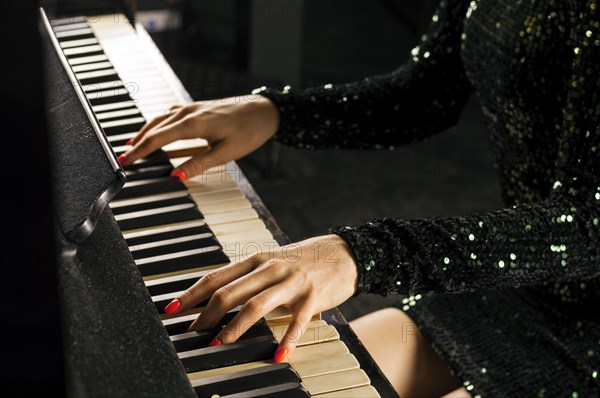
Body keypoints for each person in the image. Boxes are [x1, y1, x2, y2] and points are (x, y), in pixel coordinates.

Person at [119, 0, 600, 396]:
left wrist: (361, 253)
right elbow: (426, 93)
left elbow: (587, 226)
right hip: (521, 283)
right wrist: (274, 112)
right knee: (263, 387)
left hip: (571, 294)